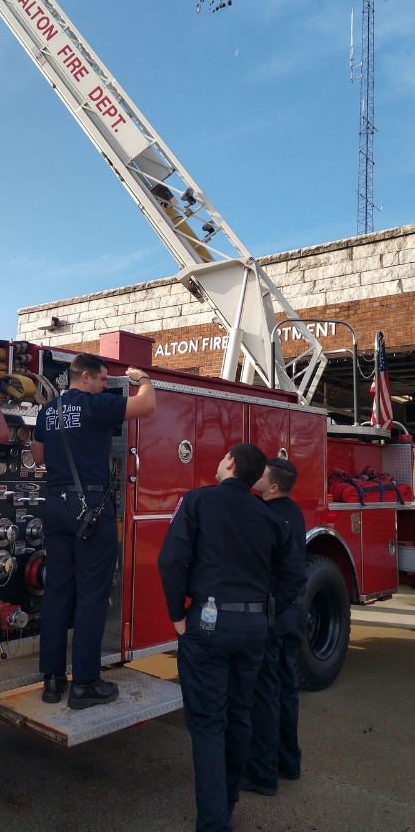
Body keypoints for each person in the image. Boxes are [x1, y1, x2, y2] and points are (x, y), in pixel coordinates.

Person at [158, 443, 306, 832]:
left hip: (206, 627)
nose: (220, 461)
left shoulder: (197, 501)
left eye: (224, 457)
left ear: (232, 464)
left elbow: (170, 560)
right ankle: (226, 802)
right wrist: (267, 616)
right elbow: (294, 576)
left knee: (208, 724)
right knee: (239, 715)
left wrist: (177, 616)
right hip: (253, 629)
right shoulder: (271, 517)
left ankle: (214, 822)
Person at [30, 352, 156, 710]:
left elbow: (37, 457)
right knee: (91, 595)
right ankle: (84, 684)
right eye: (103, 379)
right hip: (92, 510)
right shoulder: (96, 406)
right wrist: (143, 378)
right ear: (85, 377)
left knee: (57, 591)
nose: (106, 386)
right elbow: (146, 405)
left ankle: (52, 680)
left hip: (55, 507)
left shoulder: (48, 411)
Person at [241, 457, 307, 796]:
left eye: (262, 474)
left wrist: (271, 613)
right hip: (293, 612)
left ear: (274, 486)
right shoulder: (293, 512)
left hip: (277, 613)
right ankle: (288, 762)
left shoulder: (271, 515)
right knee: (286, 687)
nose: (257, 476)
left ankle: (262, 774)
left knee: (264, 692)